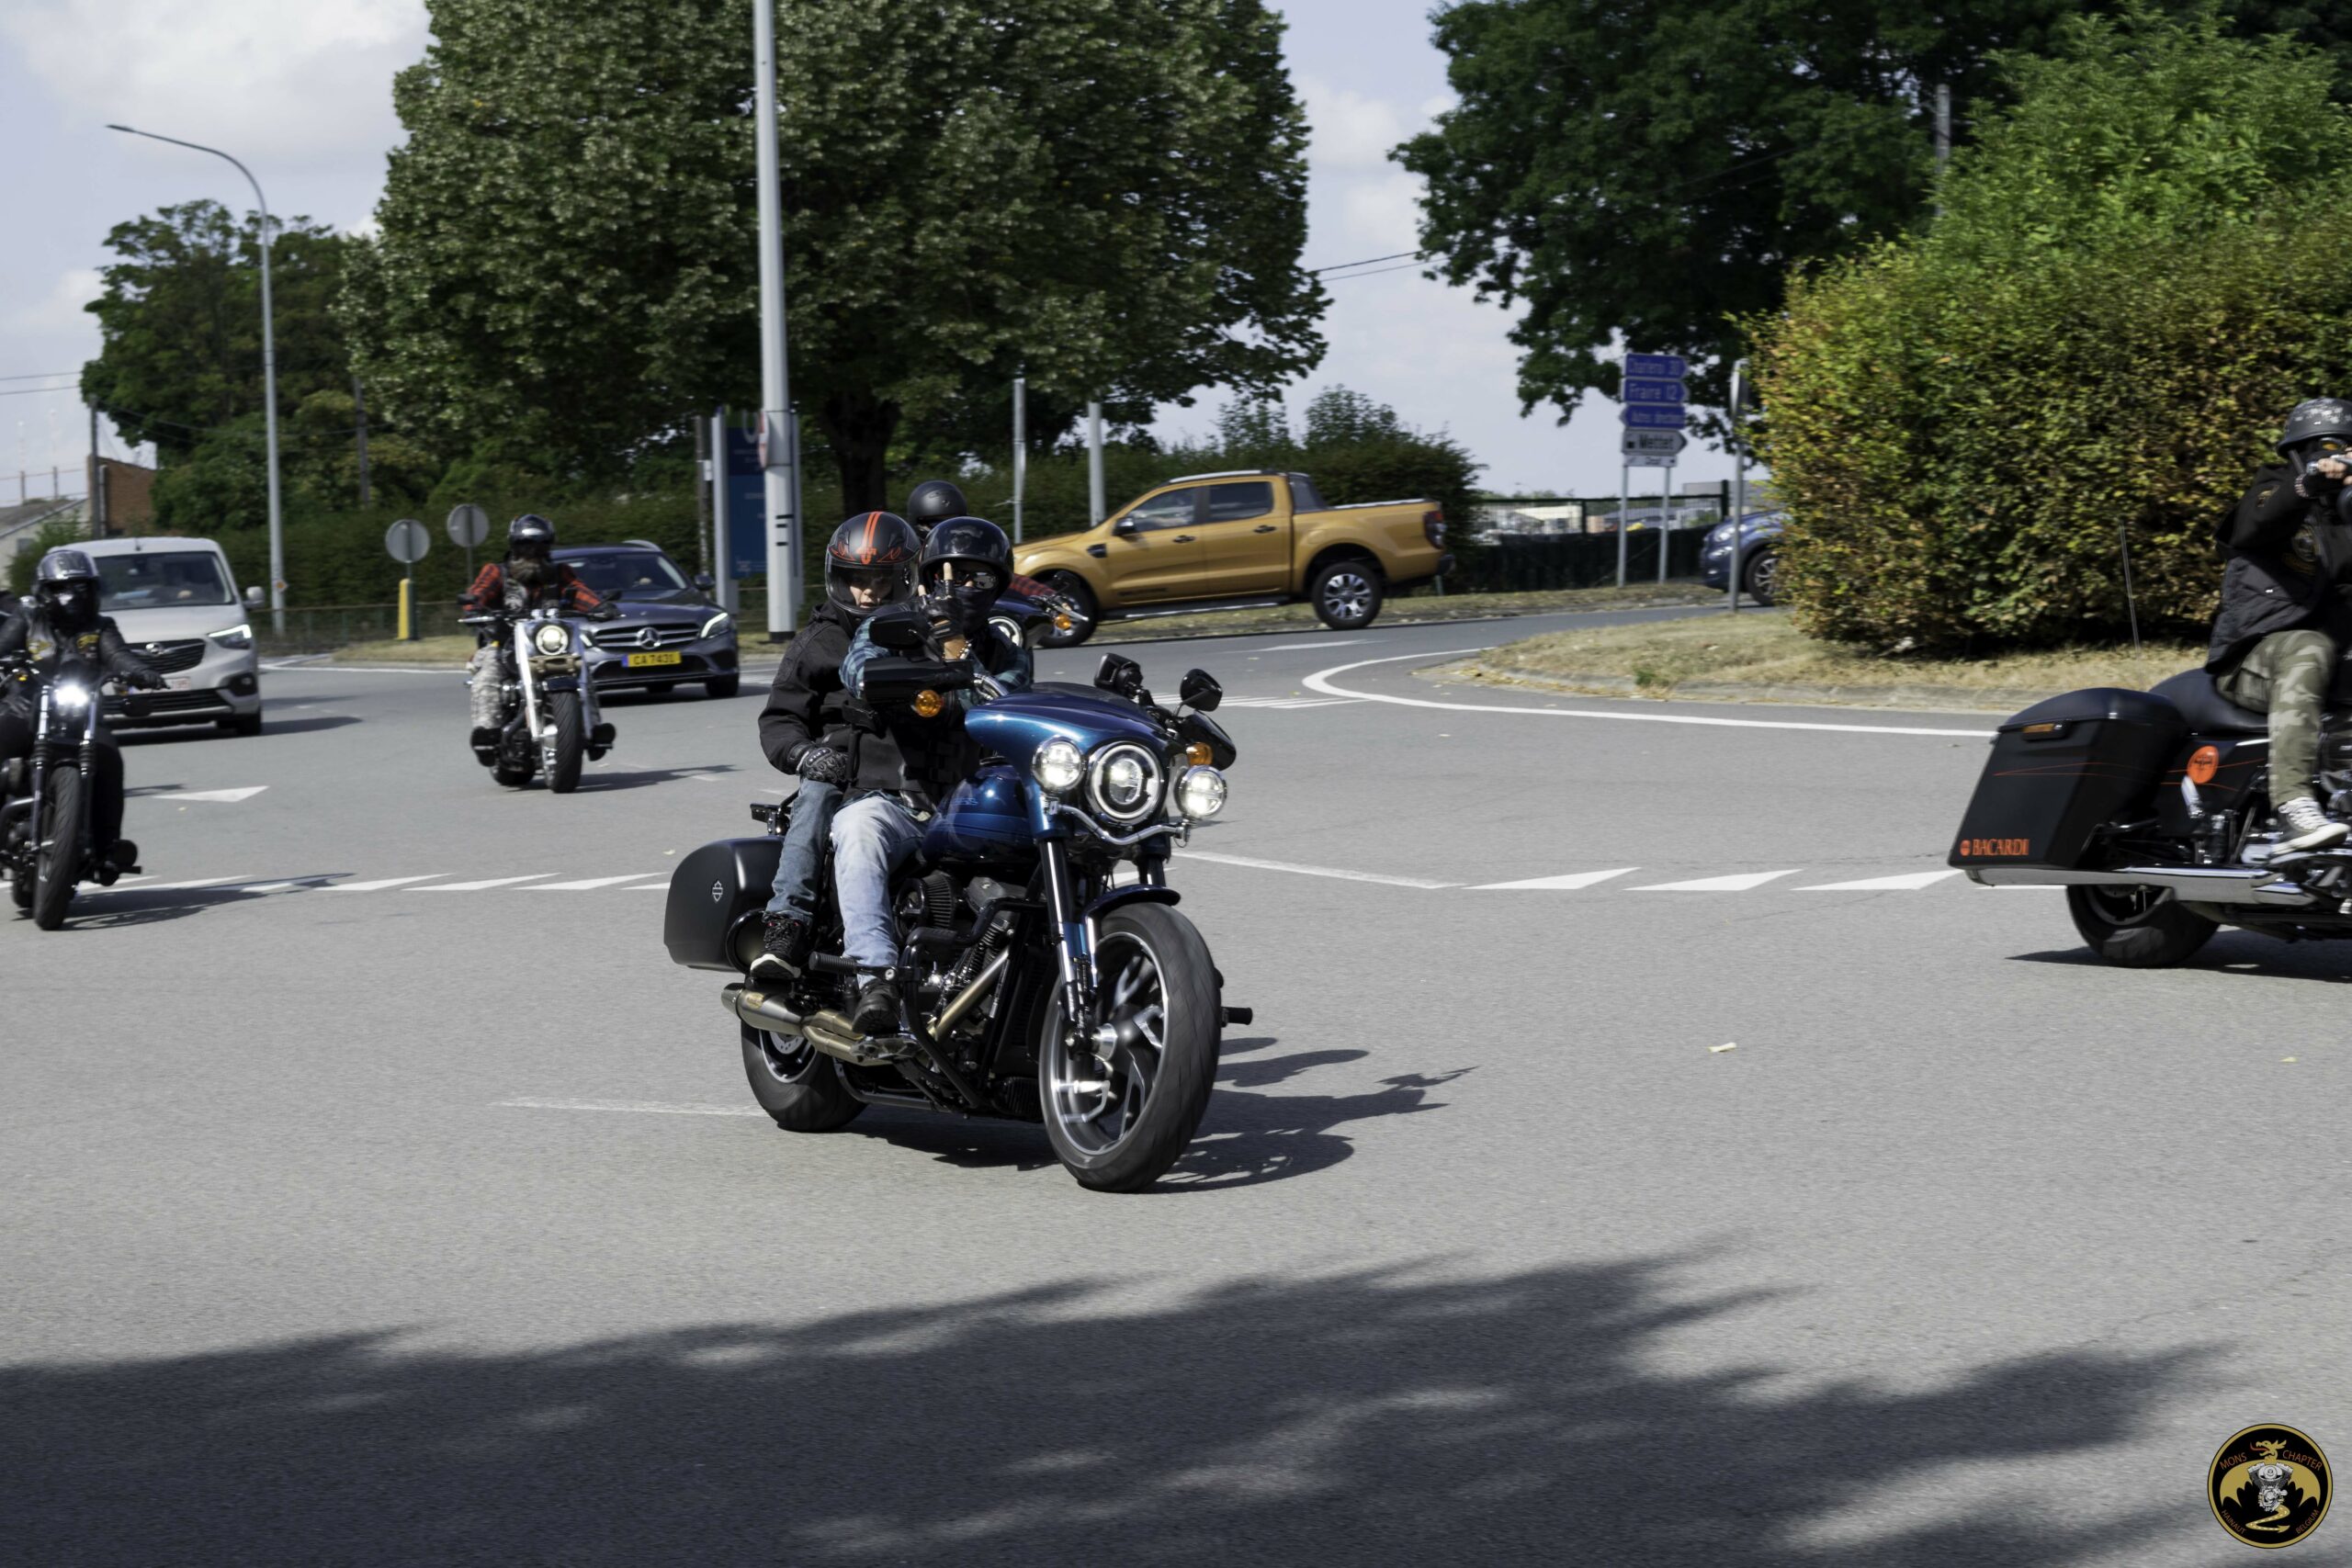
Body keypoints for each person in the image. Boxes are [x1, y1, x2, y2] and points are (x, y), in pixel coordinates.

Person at [833, 516, 1033, 1033]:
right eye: (952, 575)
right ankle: (874, 977)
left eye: (978, 577)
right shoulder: (889, 626)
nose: (964, 586)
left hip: (974, 806)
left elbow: (1005, 706)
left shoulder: (1006, 650)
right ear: (926, 578)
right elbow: (857, 672)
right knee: (858, 829)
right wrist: (907, 669)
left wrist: (958, 652)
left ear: (998, 585)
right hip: (900, 801)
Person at [752, 511, 922, 977]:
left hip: (911, 765)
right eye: (858, 580)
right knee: (815, 795)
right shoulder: (819, 642)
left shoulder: (923, 635)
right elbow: (780, 718)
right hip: (842, 766)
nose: (870, 593)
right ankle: (787, 924)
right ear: (839, 579)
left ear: (905, 579)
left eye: (883, 580)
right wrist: (807, 754)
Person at [2208, 398, 2352, 850]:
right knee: (2309, 646)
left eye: (2346, 449)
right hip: (2255, 659)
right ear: (2297, 451)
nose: (2335, 459)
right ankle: (2292, 805)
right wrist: (2308, 484)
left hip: (2332, 658)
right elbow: (2255, 524)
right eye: (2324, 448)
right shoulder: (2273, 491)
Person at [0, 549, 164, 866]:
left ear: (92, 589)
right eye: (61, 588)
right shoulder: (28, 617)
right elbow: (3, 646)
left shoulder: (101, 627)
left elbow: (118, 655)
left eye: (80, 587)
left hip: (81, 712)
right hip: (26, 707)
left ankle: (107, 846)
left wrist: (141, 672)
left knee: (110, 759)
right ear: (43, 590)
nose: (72, 596)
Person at [458, 513, 613, 754]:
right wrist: (474, 605)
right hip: (505, 644)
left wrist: (599, 606)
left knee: (582, 669)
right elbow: (479, 591)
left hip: (552, 645)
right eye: (525, 544)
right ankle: (487, 733)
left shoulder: (560, 573)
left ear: (549, 547)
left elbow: (578, 591)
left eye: (541, 545)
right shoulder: (497, 572)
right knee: (488, 671)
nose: (533, 551)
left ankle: (593, 729)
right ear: (514, 545)